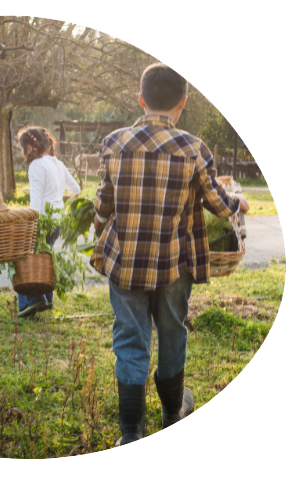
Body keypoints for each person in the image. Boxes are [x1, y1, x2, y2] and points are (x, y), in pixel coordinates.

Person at [91, 63, 249, 446]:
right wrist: (238, 203)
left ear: (141, 100)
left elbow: (104, 203)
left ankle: (130, 433)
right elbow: (216, 201)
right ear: (183, 102)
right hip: (174, 264)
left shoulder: (114, 142)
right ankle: (172, 414)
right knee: (173, 332)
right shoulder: (194, 148)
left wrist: (98, 223)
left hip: (125, 262)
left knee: (130, 338)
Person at [17, 127, 81, 317]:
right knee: (46, 257)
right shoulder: (57, 164)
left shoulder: (36, 165)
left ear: (29, 148)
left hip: (41, 221)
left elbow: (35, 200)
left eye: (21, 149)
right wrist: (61, 205)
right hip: (56, 222)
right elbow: (76, 188)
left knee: (24, 258)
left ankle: (33, 301)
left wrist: (31, 224)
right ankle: (47, 299)